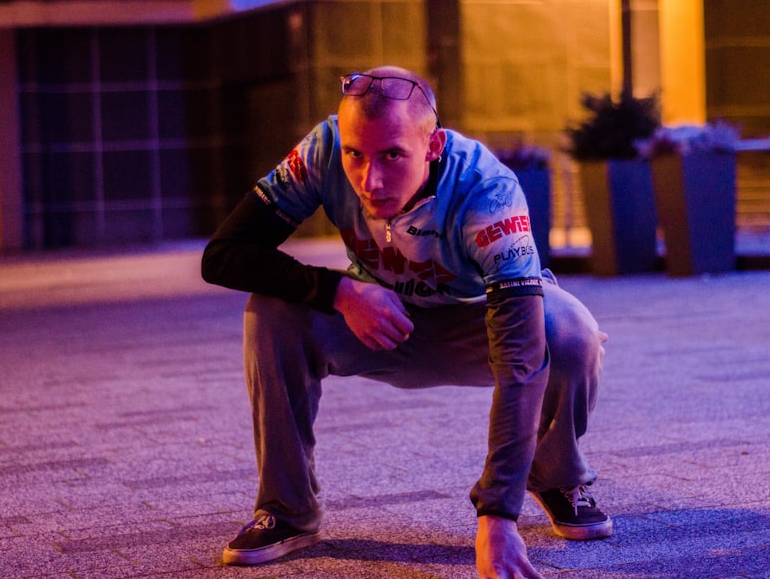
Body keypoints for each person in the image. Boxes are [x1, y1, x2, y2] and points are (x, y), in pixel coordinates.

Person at [201, 65, 610, 578]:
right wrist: (340, 291)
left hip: (476, 326)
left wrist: (498, 514)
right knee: (271, 312)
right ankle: (288, 510)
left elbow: (522, 356)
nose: (370, 180)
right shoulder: (322, 151)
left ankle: (554, 473)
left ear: (432, 145)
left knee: (569, 330)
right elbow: (222, 255)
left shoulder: (488, 191)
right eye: (356, 154)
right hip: (381, 321)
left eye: (393, 155)